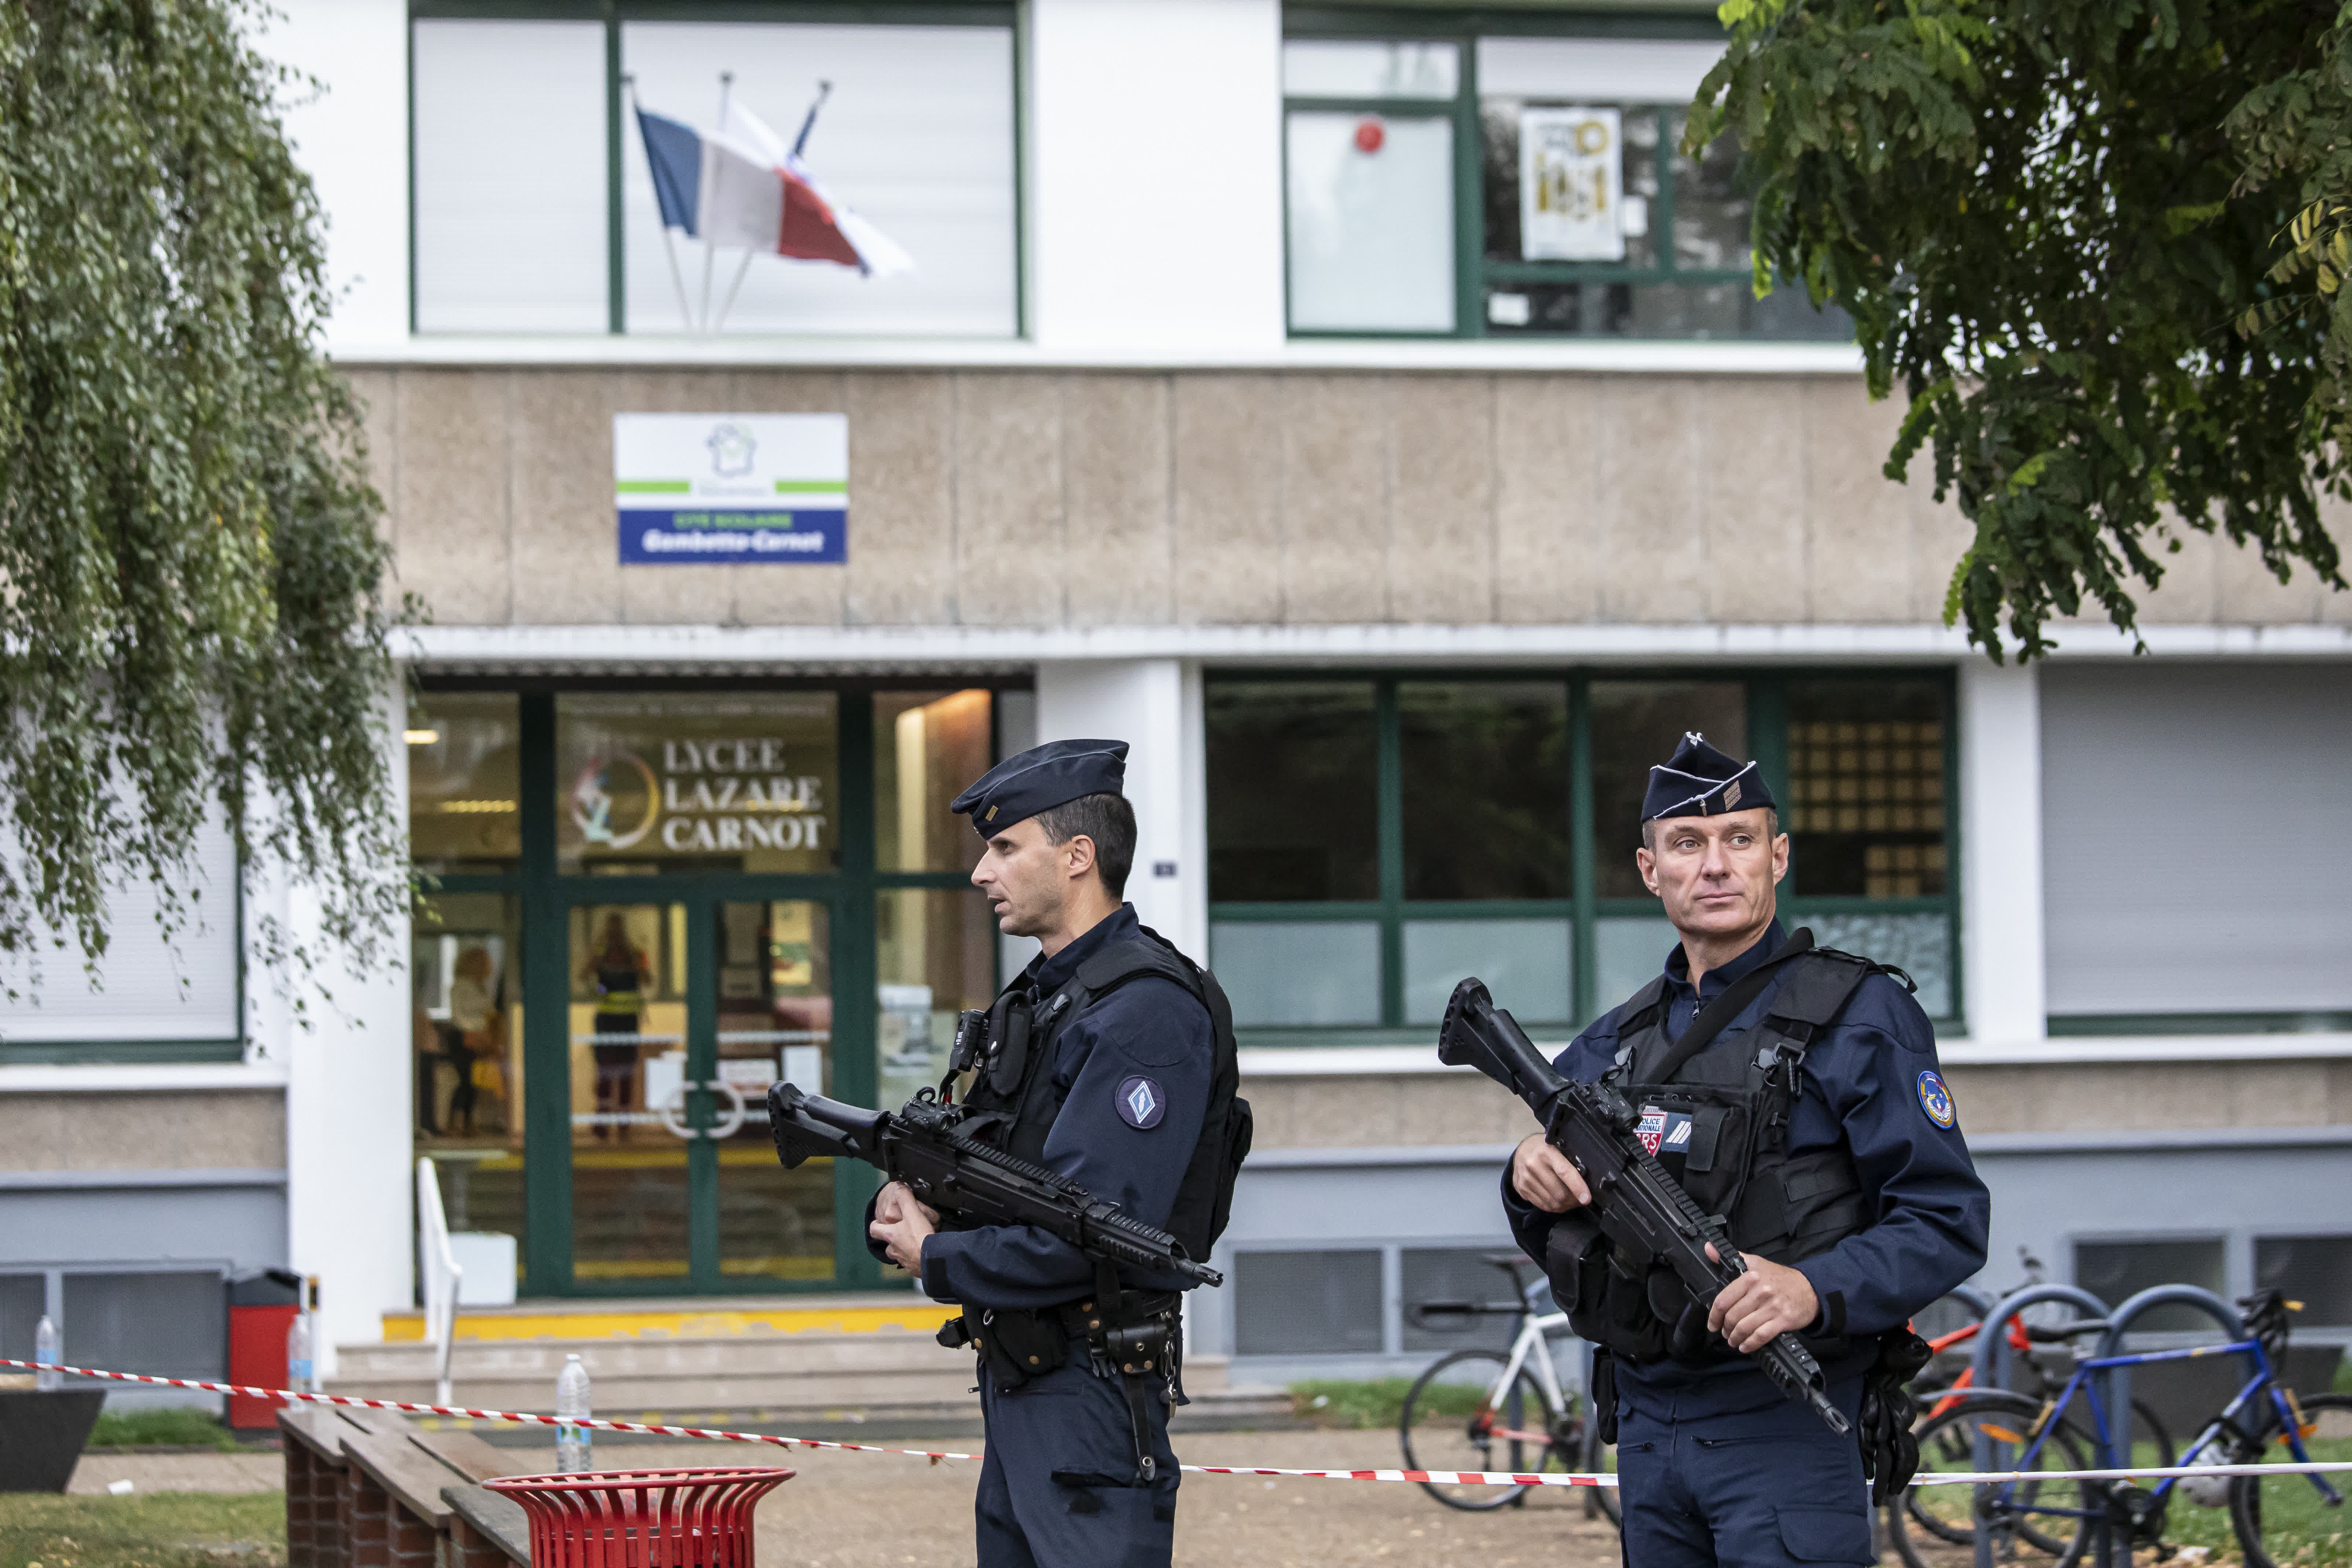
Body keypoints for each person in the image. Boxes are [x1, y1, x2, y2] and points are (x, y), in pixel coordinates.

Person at [1501, 732, 1988, 1568]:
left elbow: (1946, 1220)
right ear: (1651, 869)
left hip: (1786, 1428)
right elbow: (1558, 1223)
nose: (1716, 866)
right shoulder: (1617, 1042)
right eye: (1687, 844)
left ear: (1778, 856)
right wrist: (1524, 1176)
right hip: (1648, 1433)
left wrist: (1811, 1288)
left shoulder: (1859, 1017)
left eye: (1740, 839)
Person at [865, 738, 1247, 1568]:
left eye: (1006, 848)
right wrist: (908, 1200)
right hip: (1026, 1374)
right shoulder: (1044, 999)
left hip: (1090, 1382)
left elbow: (1093, 1230)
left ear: (1077, 857)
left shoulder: (1143, 1011)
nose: (983, 872)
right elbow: (993, 1167)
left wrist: (938, 1257)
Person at [582, 914, 652, 1141]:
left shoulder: (635, 954)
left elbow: (647, 980)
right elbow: (584, 975)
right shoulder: (600, 955)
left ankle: (623, 1125)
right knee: (605, 1072)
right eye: (610, 930)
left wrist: (638, 965)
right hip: (607, 1021)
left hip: (628, 1021)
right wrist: (596, 950)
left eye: (617, 930)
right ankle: (602, 1124)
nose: (614, 935)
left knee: (625, 1073)